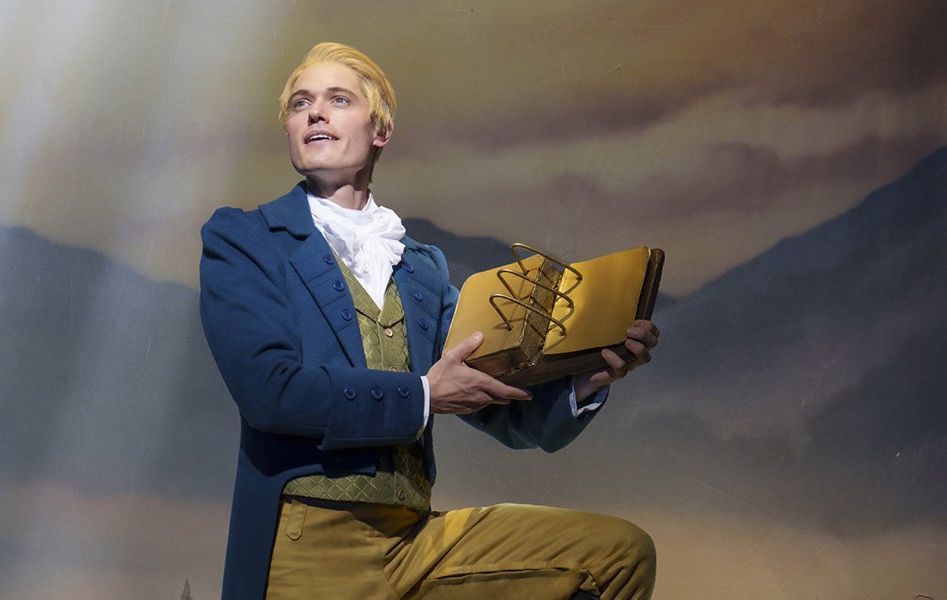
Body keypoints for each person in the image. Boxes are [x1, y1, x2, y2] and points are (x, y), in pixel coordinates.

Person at [200, 42, 660, 600]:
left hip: (415, 542)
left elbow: (501, 407)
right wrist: (422, 395)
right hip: (310, 542)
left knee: (614, 554)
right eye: (301, 104)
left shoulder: (420, 268)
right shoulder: (246, 239)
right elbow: (270, 393)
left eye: (337, 99)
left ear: (380, 131)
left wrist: (585, 379)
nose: (314, 112)